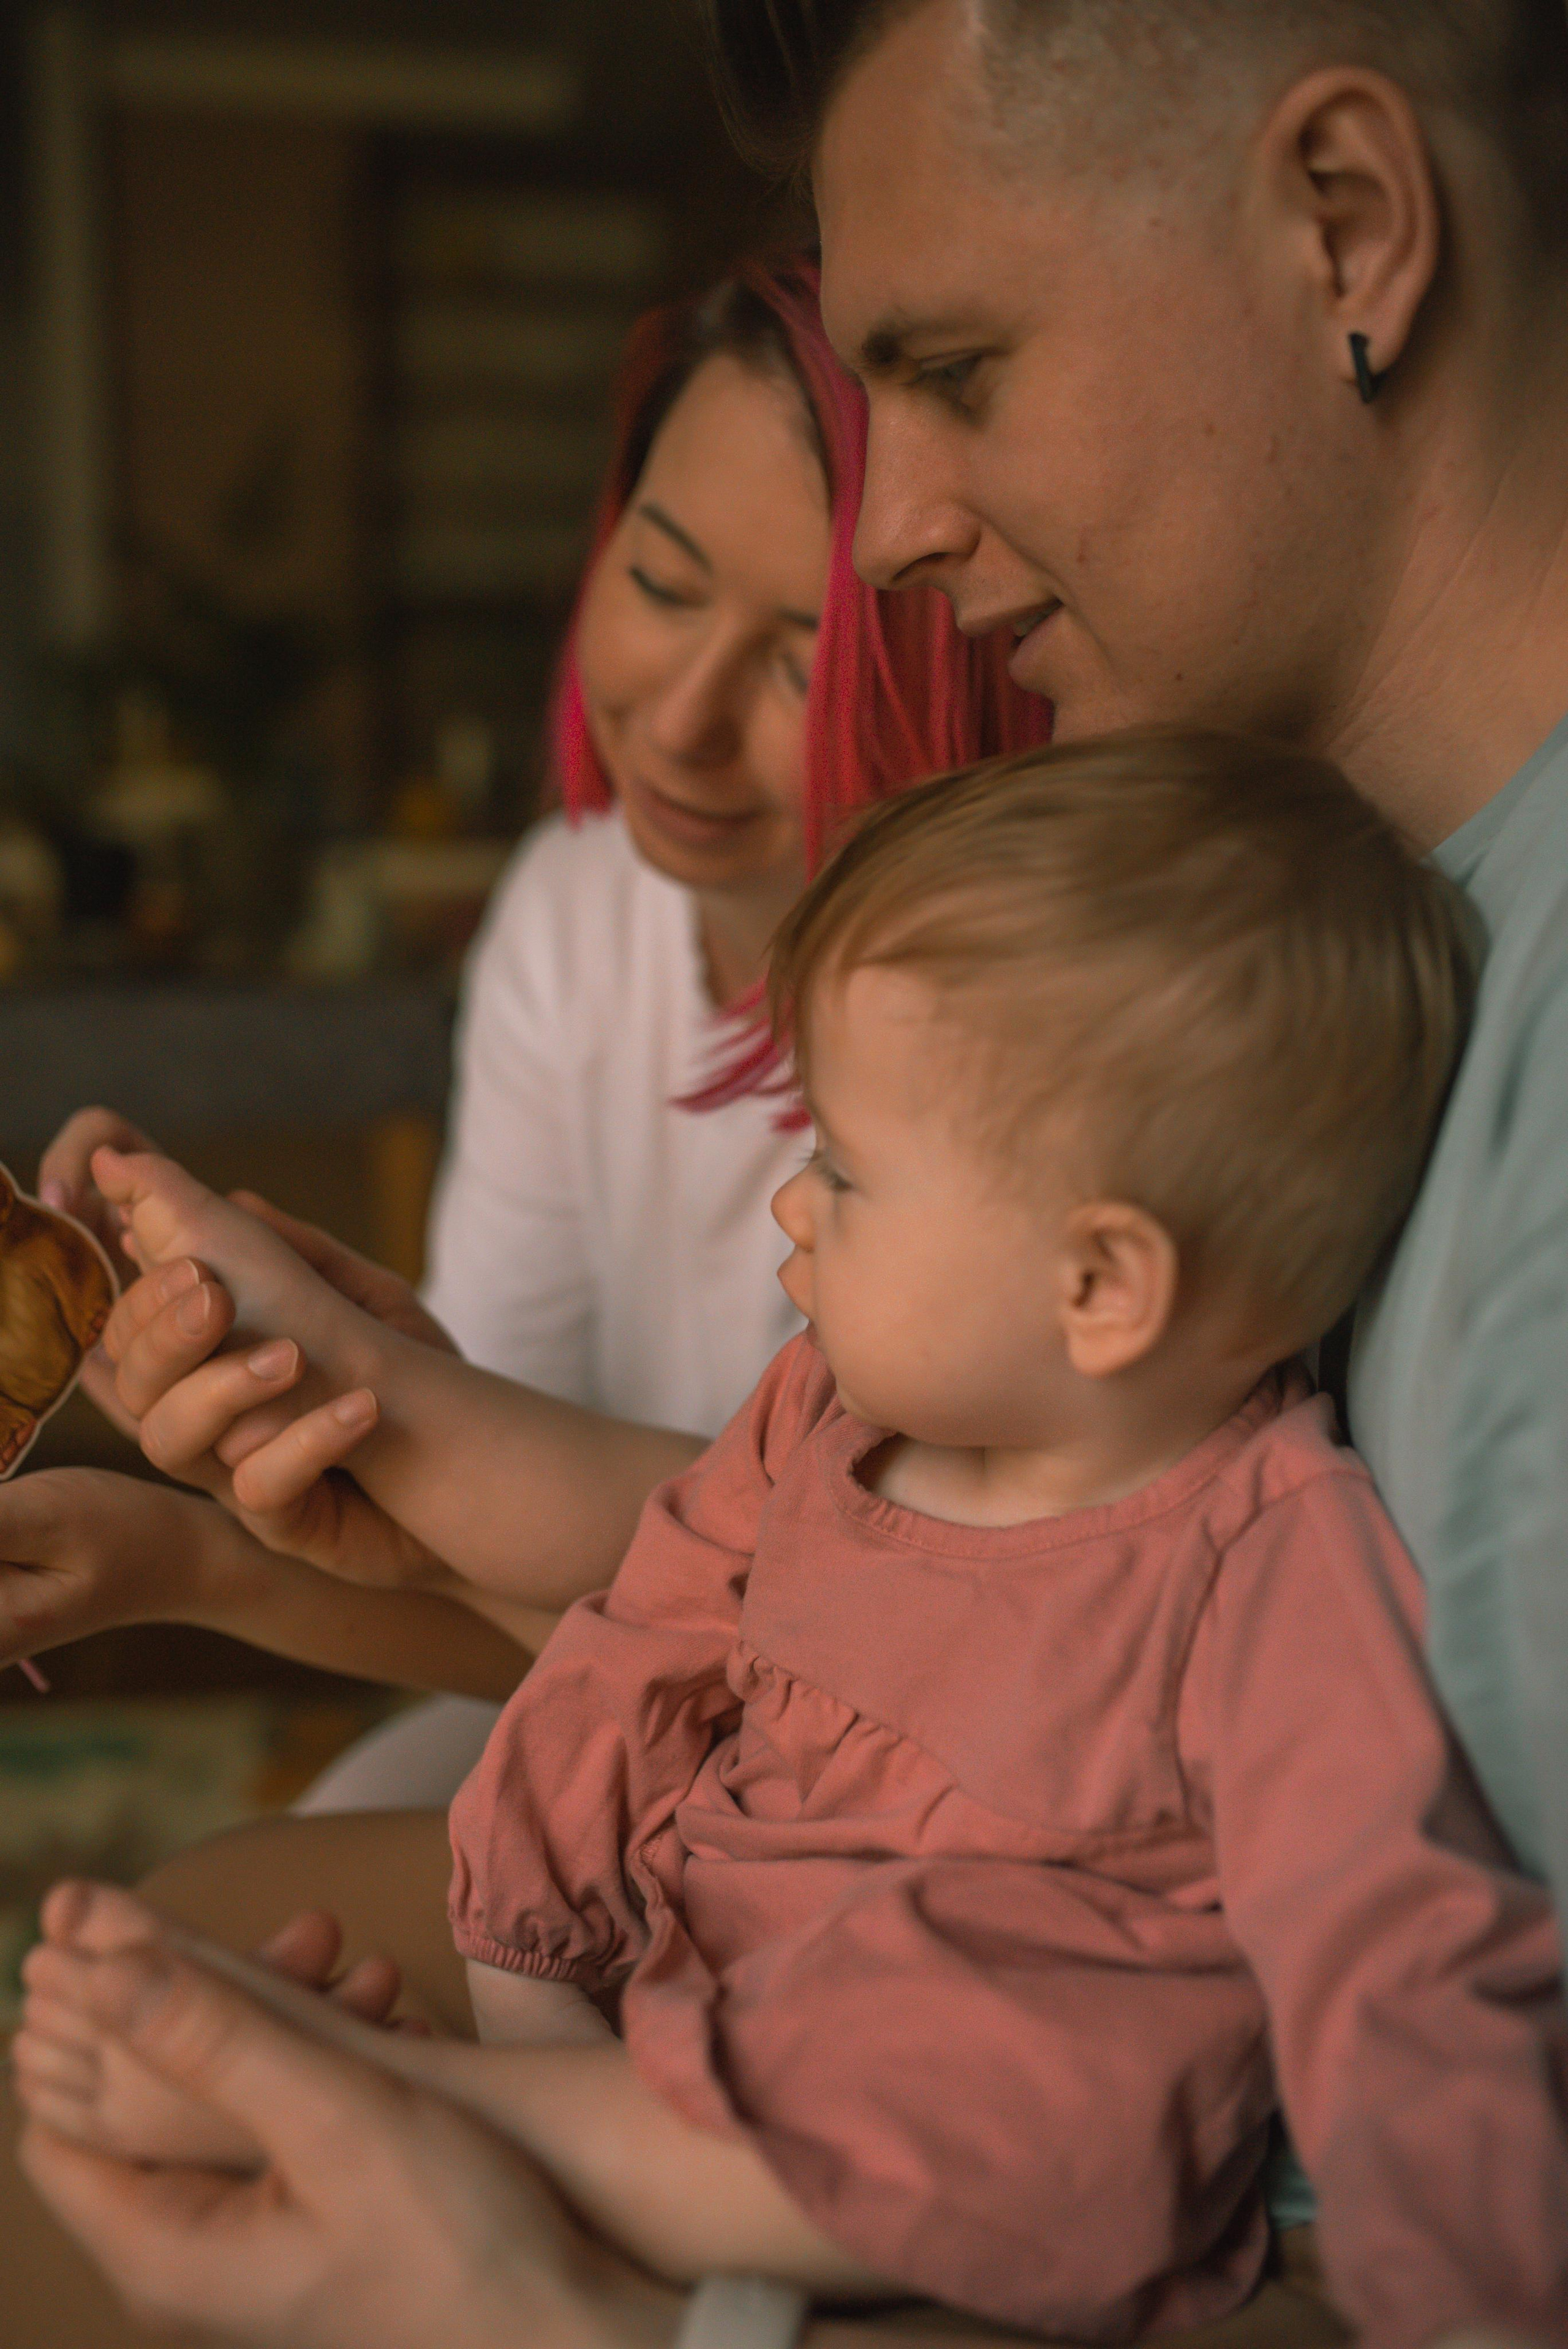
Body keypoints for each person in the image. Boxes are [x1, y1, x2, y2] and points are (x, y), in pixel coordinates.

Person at [15, 0, 1568, 2339]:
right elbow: (839, 1588)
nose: (908, 516)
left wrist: (521, 2299)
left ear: (1347, 227)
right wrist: (336, 1441)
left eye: (958, 365)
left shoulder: (1342, 1071)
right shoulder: (1343, 922)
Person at [16, 733, 1568, 2345]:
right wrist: (530, 1934)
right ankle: (493, 2107)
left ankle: (427, 2109)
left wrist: (1467, 2306)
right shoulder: (824, 1419)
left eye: (844, 1170)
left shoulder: (1267, 1560)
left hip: (975, 2127)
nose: (793, 1214)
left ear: (1100, 1286)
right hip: (715, 1999)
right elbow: (636, 1644)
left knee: (1008, 2075)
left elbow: (1394, 1948)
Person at [15, 251, 1044, 1777]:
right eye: (660, 583)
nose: (681, 719)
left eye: (801, 661)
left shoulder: (1009, 1027)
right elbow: (515, 1598)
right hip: (622, 1704)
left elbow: (877, 1627)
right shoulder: (571, 918)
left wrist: (387, 1404)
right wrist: (203, 1543)